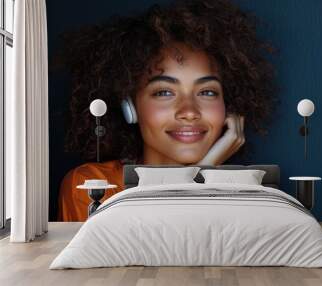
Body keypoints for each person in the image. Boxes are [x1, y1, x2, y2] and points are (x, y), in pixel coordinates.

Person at [57, 0, 277, 221]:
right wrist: (203, 170)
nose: (189, 111)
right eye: (164, 92)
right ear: (130, 106)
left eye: (207, 92)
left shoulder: (244, 196)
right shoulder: (93, 185)